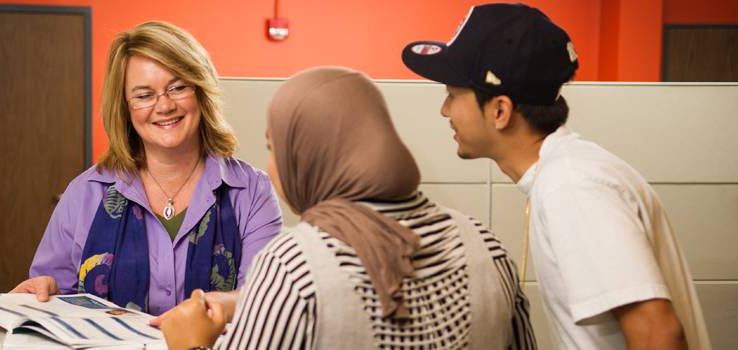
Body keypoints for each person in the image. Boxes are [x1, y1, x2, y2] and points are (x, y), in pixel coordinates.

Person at [401, 3, 710, 349]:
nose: (444, 110)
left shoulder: (572, 185)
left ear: (500, 111)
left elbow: (658, 334)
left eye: (453, 95)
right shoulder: (566, 174)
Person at [158, 67, 537, 349]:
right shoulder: (487, 246)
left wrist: (190, 342)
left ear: (309, 157)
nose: (271, 168)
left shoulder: (294, 263)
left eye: (275, 148)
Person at [10, 21, 283, 316]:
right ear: (125, 108)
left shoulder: (252, 191)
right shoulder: (84, 194)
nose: (164, 106)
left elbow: (260, 303)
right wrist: (44, 291)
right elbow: (53, 302)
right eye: (144, 95)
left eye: (177, 87)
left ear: (201, 91)